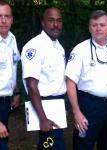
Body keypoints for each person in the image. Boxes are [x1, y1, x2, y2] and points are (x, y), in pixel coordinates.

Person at [65, 10, 107, 150]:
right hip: (89, 106)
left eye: (102, 25)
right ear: (89, 27)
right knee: (83, 144)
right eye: (94, 25)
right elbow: (70, 82)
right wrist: (76, 112)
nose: (98, 28)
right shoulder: (80, 50)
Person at [21, 6, 66, 150]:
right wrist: (43, 118)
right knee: (53, 145)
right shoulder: (34, 47)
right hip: (44, 106)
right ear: (43, 22)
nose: (56, 25)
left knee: (48, 144)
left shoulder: (58, 47)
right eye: (51, 20)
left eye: (59, 21)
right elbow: (31, 85)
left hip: (57, 104)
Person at [0, 0, 21, 149]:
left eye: (7, 16)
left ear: (12, 19)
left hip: (6, 102)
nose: (3, 20)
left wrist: (16, 91)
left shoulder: (12, 40)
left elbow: (13, 68)